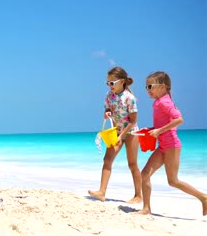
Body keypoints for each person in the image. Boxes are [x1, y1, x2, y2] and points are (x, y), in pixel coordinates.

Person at [139, 71, 207, 215]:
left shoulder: (164, 102)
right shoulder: (159, 102)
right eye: (146, 87)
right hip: (163, 146)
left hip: (171, 146)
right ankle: (146, 208)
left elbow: (179, 119)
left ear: (162, 86)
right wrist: (151, 129)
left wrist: (158, 131)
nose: (147, 90)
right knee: (145, 173)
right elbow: (168, 123)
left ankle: (203, 197)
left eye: (150, 86)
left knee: (173, 181)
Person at [88, 66, 142, 203]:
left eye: (112, 82)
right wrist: (106, 113)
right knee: (107, 160)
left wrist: (121, 135)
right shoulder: (109, 96)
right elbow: (108, 109)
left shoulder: (130, 98)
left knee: (132, 164)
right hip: (116, 132)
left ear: (122, 81)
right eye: (108, 83)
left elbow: (133, 120)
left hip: (131, 132)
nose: (109, 85)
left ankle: (138, 195)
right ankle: (101, 192)